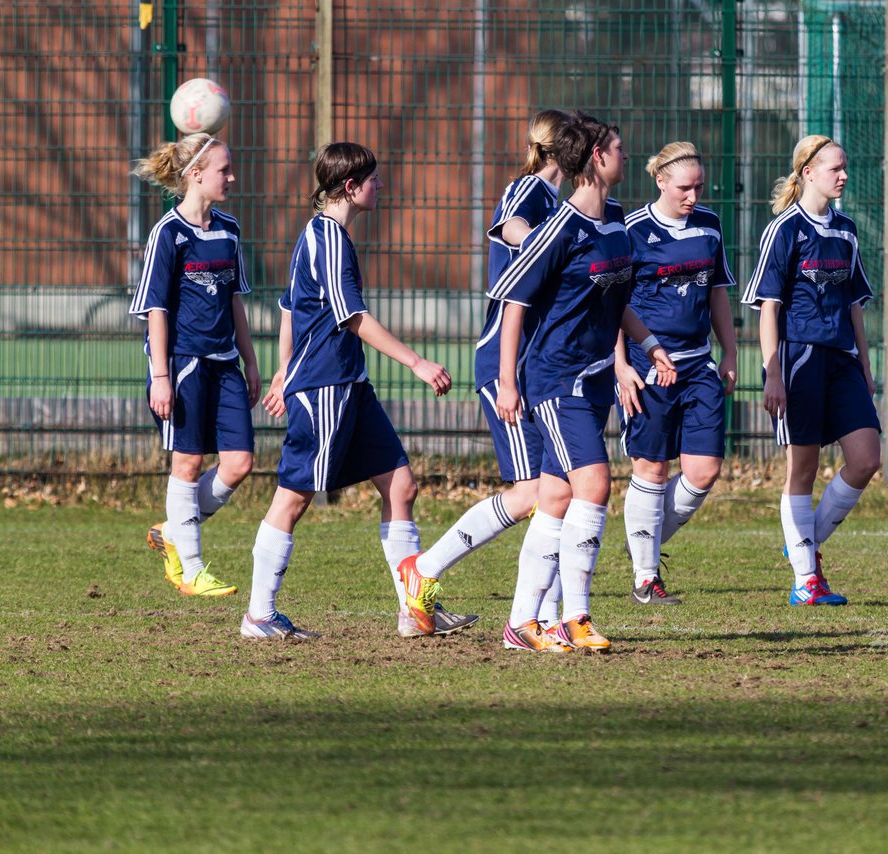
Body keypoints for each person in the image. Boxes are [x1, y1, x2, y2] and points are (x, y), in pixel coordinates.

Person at [239, 141, 456, 640]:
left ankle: (415, 608)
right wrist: (417, 362)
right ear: (350, 188)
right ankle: (259, 614)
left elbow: (290, 308)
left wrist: (280, 370)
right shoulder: (328, 238)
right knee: (294, 497)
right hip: (325, 388)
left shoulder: (320, 234)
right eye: (373, 180)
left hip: (349, 385)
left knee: (400, 486)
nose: (381, 186)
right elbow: (352, 317)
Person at [483, 111, 676, 653]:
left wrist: (650, 345)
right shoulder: (560, 229)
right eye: (617, 147)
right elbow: (513, 300)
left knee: (557, 495)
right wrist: (506, 382)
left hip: (593, 378)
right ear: (596, 158)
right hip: (556, 377)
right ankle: (575, 617)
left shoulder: (615, 220)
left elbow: (617, 303)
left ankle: (522, 625)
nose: (625, 156)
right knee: (593, 485)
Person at [395, 109, 570, 638]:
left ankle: (546, 616)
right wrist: (547, 247)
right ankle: (422, 570)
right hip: (506, 363)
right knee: (532, 494)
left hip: (539, 362)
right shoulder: (529, 190)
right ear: (562, 149)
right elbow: (510, 225)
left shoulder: (562, 204)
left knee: (555, 492)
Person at [741, 135, 880, 607]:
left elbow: (855, 304)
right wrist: (773, 372)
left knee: (866, 459)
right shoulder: (784, 230)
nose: (843, 175)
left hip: (841, 360)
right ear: (807, 173)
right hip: (798, 358)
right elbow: (768, 306)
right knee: (803, 467)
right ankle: (806, 579)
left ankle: (803, 543)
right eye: (834, 168)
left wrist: (865, 362)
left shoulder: (846, 229)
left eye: (845, 167)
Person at [130, 133, 259, 598]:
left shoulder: (229, 228)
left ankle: (173, 531)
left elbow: (235, 302)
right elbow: (156, 310)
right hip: (182, 364)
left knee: (240, 463)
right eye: (224, 169)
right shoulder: (168, 233)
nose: (231, 177)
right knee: (187, 462)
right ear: (196, 174)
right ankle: (192, 569)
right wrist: (161, 377)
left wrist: (250, 361)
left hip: (225, 362)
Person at [616, 141, 738, 604]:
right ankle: (646, 576)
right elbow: (613, 303)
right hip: (647, 366)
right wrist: (623, 365)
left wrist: (729, 352)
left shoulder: (709, 225)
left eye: (699, 187)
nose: (693, 196)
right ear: (660, 180)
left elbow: (718, 293)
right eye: (685, 187)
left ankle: (641, 542)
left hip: (698, 363)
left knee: (704, 470)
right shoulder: (631, 230)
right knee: (651, 465)